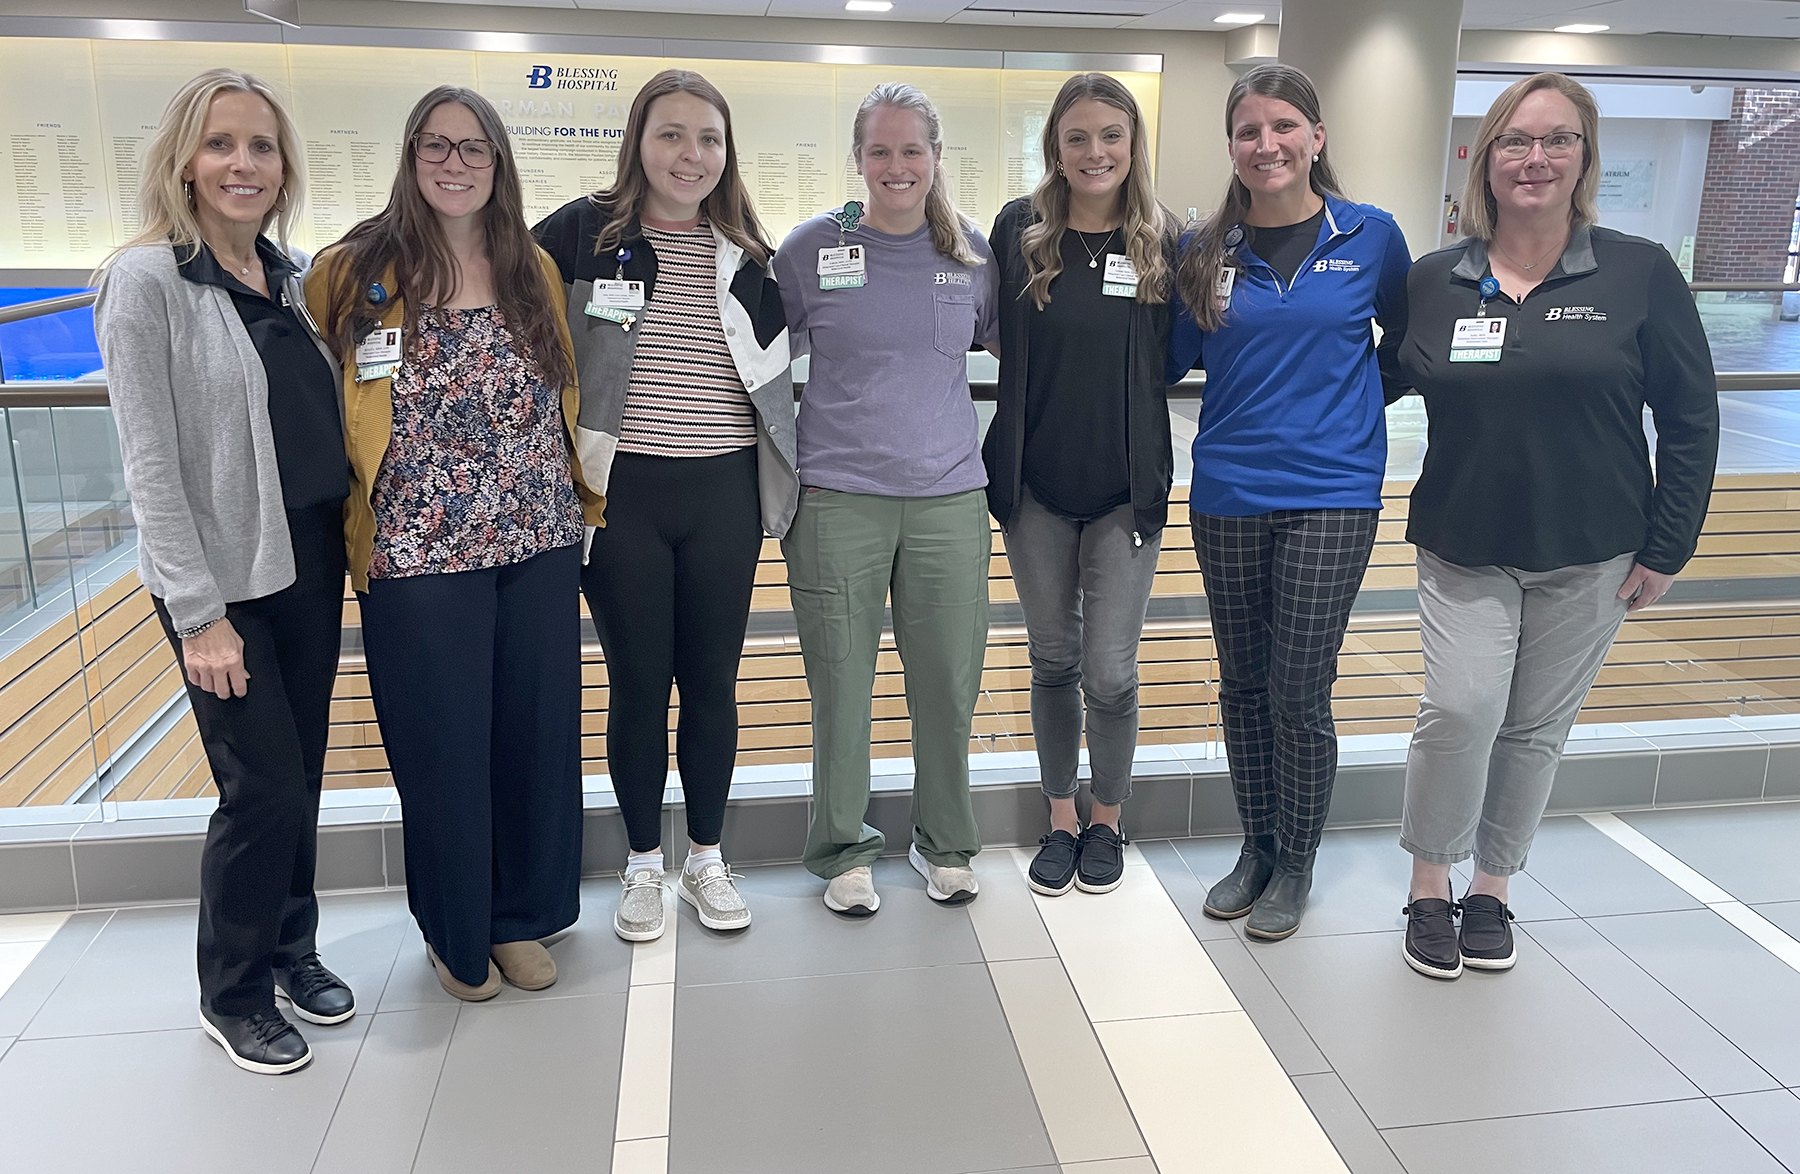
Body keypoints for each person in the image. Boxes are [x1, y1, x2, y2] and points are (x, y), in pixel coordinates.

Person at [1395, 73, 1719, 979]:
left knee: (1535, 727)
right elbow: (1369, 378)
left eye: (1558, 141)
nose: (1535, 159)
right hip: (1465, 540)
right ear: (1485, 158)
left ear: (1584, 158)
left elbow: (1691, 418)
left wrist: (1668, 545)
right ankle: (1429, 883)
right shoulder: (1434, 280)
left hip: (1595, 547)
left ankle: (1492, 889)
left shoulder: (1638, 271)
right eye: (1516, 141)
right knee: (1460, 710)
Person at [306, 87, 604, 1001]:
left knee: (534, 735)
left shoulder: (533, 269)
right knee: (443, 745)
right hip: (416, 550)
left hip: (538, 536)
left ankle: (521, 915)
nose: (455, 163)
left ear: (499, 164)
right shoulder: (353, 271)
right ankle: (456, 928)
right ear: (410, 155)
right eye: (437, 146)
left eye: (474, 149)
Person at [94, 68, 353, 1074]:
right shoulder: (147, 279)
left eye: (261, 146)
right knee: (262, 786)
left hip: (308, 561)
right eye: (221, 144)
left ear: (284, 168)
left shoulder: (283, 277)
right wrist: (198, 612)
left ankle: (293, 947)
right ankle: (233, 989)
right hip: (223, 584)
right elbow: (150, 465)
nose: (243, 163)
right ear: (184, 162)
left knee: (305, 774)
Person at [533, 69, 793, 943]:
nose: (691, 155)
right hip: (622, 496)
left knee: (713, 682)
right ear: (638, 141)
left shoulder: (749, 255)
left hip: (722, 492)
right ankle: (644, 863)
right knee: (639, 683)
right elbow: (490, 281)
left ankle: (707, 860)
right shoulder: (580, 235)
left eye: (709, 139)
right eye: (672, 135)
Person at [1170, 63, 1411, 940]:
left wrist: (1351, 404)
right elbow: (1166, 360)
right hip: (1228, 489)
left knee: (1298, 685)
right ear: (1231, 147)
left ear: (1316, 137)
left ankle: (1297, 860)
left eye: (1282, 127)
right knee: (1241, 684)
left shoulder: (1371, 236)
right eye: (1247, 131)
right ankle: (1256, 845)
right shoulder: (1205, 249)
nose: (1265, 145)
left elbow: (1412, 344)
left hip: (1333, 493)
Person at [772, 82, 1000, 916]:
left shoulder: (971, 252)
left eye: (913, 151)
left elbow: (1016, 346)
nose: (896, 167)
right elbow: (755, 363)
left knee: (947, 681)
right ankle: (842, 851)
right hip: (838, 501)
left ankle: (945, 842)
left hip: (948, 501)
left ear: (937, 158)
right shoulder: (808, 251)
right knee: (842, 684)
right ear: (858, 161)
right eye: (880, 151)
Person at [984, 73, 1178, 897]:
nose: (1094, 152)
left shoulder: (1166, 239)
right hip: (1035, 486)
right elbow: (993, 336)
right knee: (1053, 659)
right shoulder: (1019, 230)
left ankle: (1109, 818)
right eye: (1077, 137)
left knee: (1111, 671)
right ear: (1054, 148)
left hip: (1126, 492)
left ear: (1133, 145)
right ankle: (1061, 818)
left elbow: (1182, 352)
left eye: (1111, 135)